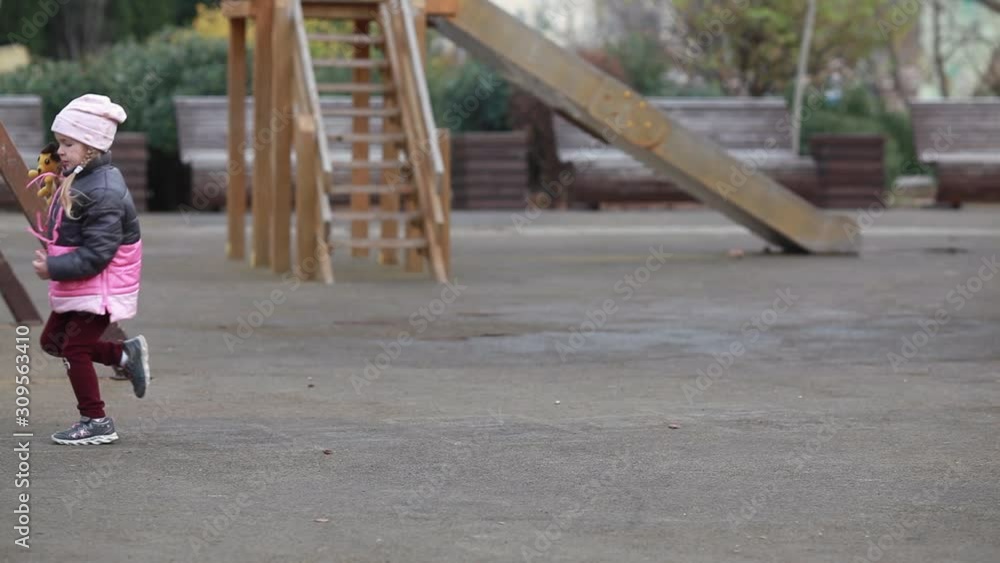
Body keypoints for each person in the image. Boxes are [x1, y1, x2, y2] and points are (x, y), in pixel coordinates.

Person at [31, 93, 151, 445]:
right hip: (84, 283)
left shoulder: (103, 190)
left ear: (92, 146)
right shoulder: (81, 176)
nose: (60, 151)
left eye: (68, 143)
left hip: (101, 286)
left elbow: (99, 253)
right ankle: (124, 354)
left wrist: (53, 266)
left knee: (73, 348)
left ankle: (96, 420)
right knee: (53, 341)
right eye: (60, 143)